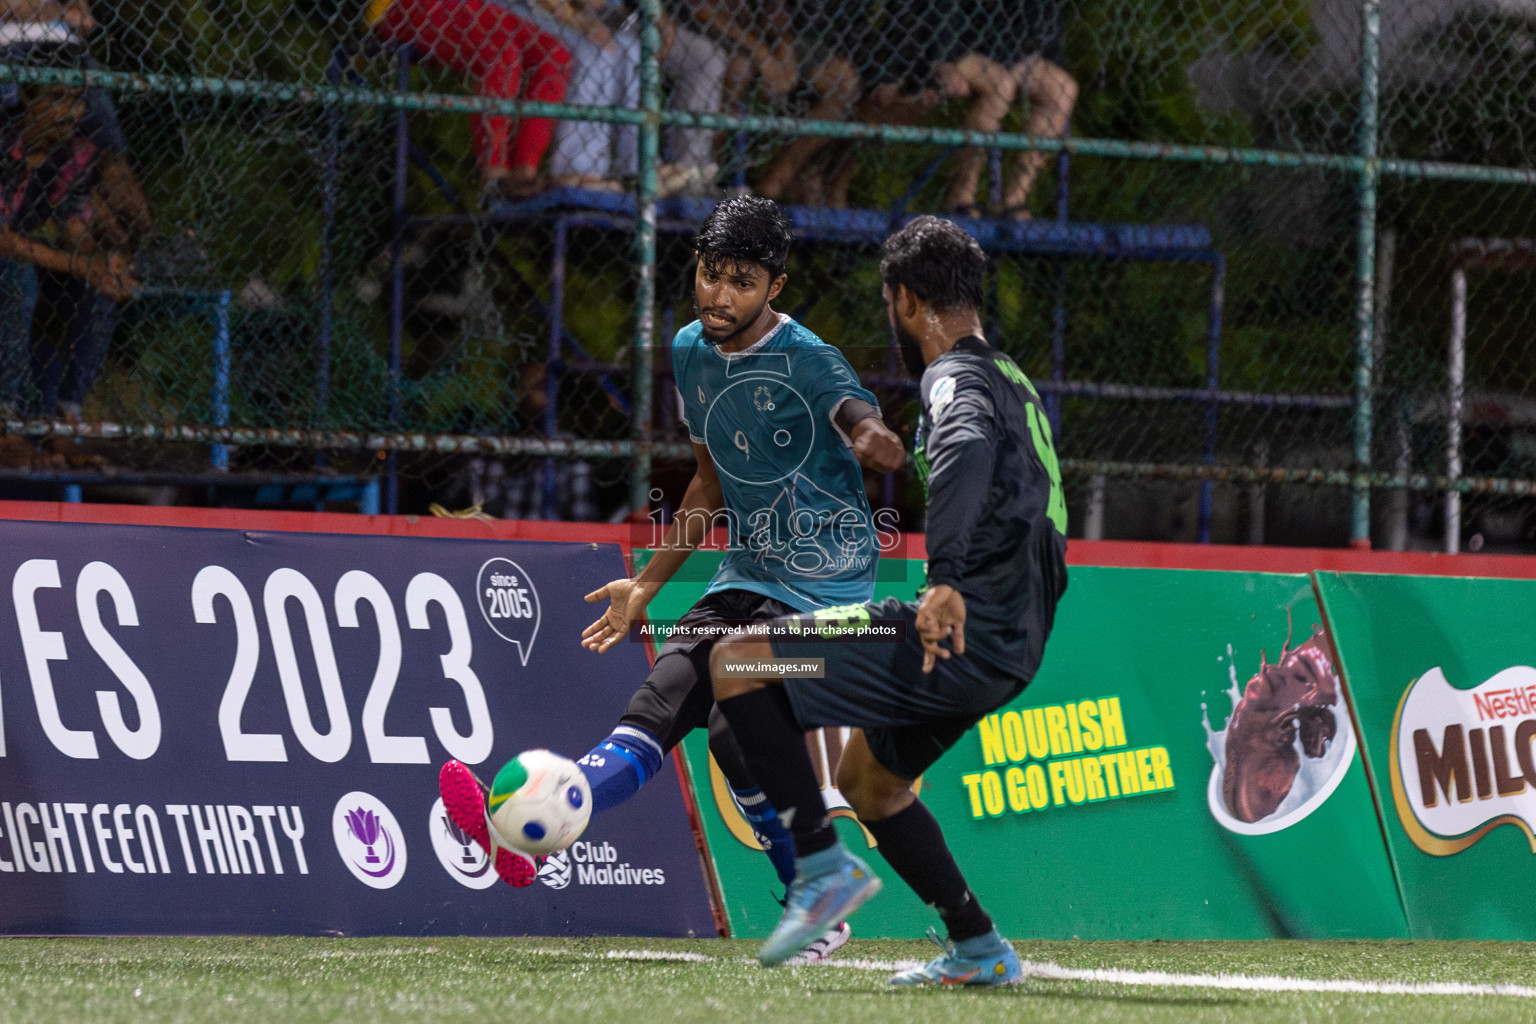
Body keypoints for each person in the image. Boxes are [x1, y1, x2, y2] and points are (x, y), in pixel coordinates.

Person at [438, 196, 905, 962]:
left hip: (828, 596)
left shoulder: (810, 361)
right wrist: (648, 586)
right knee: (660, 701)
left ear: (775, 288)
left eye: (742, 282)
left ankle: (813, 893)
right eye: (711, 274)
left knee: (732, 727)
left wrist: (873, 437)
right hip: (746, 573)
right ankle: (524, 835)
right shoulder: (690, 350)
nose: (720, 295)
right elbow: (706, 486)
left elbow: (858, 417)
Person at [707, 215, 1069, 978]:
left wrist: (945, 581)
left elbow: (965, 449)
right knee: (870, 783)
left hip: (955, 631)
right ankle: (979, 946)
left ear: (904, 299)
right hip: (1011, 647)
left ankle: (819, 865)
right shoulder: (1017, 384)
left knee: (740, 663)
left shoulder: (952, 380)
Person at [0, 79, 140, 464]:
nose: (73, 114)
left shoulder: (73, 154)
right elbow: (4, 241)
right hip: (7, 257)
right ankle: (5, 420)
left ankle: (60, 419)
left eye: (77, 103)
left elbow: (73, 224)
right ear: (28, 99)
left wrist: (101, 265)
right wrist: (83, 266)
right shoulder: (4, 143)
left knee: (92, 292)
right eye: (59, 99)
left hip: (22, 252)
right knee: (17, 278)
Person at [497, 0, 727, 196]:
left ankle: (640, 166)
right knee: (598, 50)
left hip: (599, 12)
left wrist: (654, 13)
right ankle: (577, 168)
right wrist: (577, 20)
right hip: (530, 8)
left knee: (633, 49)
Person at [366, 0, 571, 201]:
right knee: (499, 51)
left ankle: (525, 171)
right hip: (403, 6)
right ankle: (494, 174)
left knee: (555, 57)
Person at [681, 0, 862, 202]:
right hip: (710, 29)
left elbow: (776, 11)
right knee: (739, 68)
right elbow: (701, 10)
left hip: (764, 35)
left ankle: (777, 178)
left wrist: (783, 44)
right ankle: (703, 172)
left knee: (844, 82)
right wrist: (761, 52)